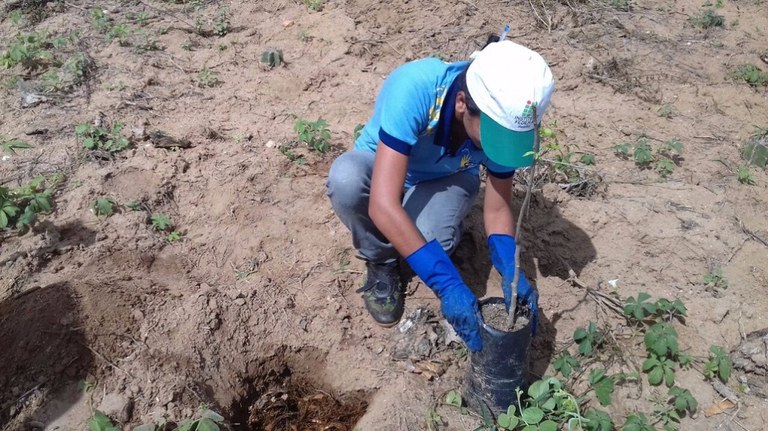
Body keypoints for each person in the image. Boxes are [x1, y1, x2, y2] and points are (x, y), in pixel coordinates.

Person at [326, 39, 555, 352]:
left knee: (433, 238)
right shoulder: (416, 88)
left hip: (446, 177)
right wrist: (447, 284)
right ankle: (381, 260)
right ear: (462, 103)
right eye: (494, 136)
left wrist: (509, 267)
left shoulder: (502, 122)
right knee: (347, 179)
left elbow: (498, 208)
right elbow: (382, 204)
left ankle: (412, 240)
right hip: (382, 166)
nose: (498, 147)